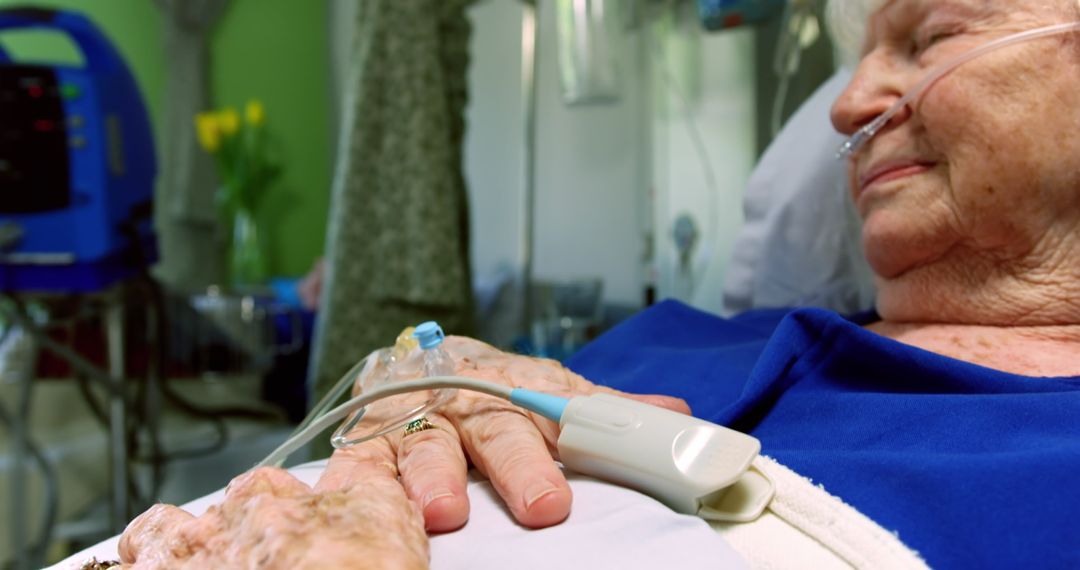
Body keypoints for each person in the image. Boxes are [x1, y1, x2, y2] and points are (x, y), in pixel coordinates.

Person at [112, 0, 1080, 568]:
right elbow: (416, 391)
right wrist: (424, 383)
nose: (846, 107)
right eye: (858, 54)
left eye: (929, 38)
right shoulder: (684, 338)